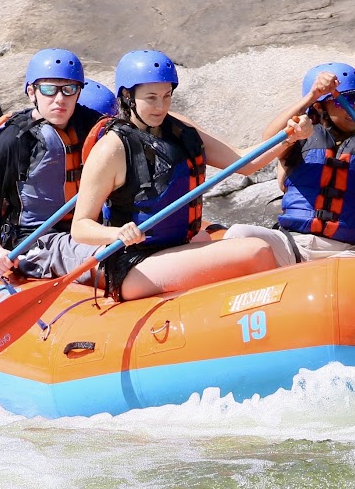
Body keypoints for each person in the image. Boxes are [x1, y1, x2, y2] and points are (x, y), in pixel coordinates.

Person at [70, 49, 309, 301]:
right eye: (151, 97)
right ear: (128, 96)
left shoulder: (178, 128)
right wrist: (116, 234)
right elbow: (80, 227)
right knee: (256, 250)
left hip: (179, 244)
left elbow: (244, 163)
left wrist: (289, 138)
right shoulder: (112, 148)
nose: (160, 106)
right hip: (135, 262)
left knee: (244, 235)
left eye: (166, 96)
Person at [223, 62, 355, 266]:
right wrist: (312, 95)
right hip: (294, 244)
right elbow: (268, 138)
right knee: (238, 233)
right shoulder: (298, 136)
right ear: (319, 107)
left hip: (349, 250)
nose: (353, 107)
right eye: (342, 101)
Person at [0, 48, 106, 279]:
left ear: (79, 92)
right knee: (117, 261)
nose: (59, 99)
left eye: (69, 89)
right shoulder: (15, 139)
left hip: (85, 231)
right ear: (32, 92)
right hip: (35, 242)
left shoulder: (89, 123)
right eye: (49, 90)